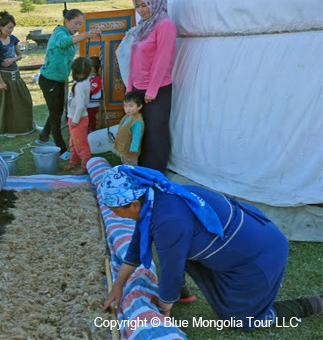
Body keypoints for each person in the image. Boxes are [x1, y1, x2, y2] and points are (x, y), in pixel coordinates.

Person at [99, 165, 323, 330]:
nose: (113, 214)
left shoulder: (168, 219)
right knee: (177, 251)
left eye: (115, 210)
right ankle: (181, 294)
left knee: (242, 321)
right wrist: (118, 285)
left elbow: (171, 269)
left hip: (261, 256)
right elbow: (138, 247)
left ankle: (314, 304)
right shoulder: (154, 196)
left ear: (134, 204)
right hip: (246, 243)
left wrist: (164, 308)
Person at [36, 9, 101, 160]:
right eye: (75, 23)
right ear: (66, 21)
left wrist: (66, 80)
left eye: (80, 24)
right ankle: (61, 148)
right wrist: (86, 34)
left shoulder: (70, 35)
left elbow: (65, 61)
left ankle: (43, 137)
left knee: (55, 110)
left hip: (59, 80)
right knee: (56, 114)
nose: (78, 26)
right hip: (49, 80)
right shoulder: (59, 32)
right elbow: (63, 42)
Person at [126, 0, 176, 173]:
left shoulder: (165, 25)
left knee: (155, 134)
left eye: (144, 5)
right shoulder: (143, 26)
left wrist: (152, 90)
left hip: (157, 89)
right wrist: (130, 88)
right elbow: (133, 59)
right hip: (138, 89)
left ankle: (155, 175)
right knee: (140, 132)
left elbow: (163, 60)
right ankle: (142, 171)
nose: (140, 10)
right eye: (137, 6)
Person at [0, 11, 35, 137]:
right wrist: (1, 82)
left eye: (12, 28)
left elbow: (19, 55)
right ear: (1, 27)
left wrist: (12, 60)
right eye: (9, 28)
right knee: (7, 104)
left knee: (24, 99)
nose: (11, 30)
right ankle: (9, 130)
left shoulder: (14, 39)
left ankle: (28, 125)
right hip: (4, 76)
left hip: (16, 74)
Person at [63, 57, 92, 175]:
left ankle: (85, 166)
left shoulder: (80, 86)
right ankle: (73, 161)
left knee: (81, 144)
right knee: (73, 142)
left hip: (78, 119)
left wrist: (75, 120)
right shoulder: (83, 82)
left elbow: (80, 106)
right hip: (75, 117)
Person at [113, 90, 145, 166]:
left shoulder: (137, 122)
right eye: (125, 106)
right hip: (123, 147)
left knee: (131, 167)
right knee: (124, 162)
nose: (127, 109)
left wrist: (133, 148)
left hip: (130, 152)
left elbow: (136, 136)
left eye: (131, 106)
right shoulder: (127, 116)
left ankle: (132, 177)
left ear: (139, 106)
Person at [87, 56, 103, 133]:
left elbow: (93, 89)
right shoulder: (89, 76)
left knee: (91, 119)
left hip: (92, 104)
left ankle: (92, 131)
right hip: (87, 103)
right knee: (86, 118)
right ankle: (87, 130)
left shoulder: (97, 79)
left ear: (92, 68)